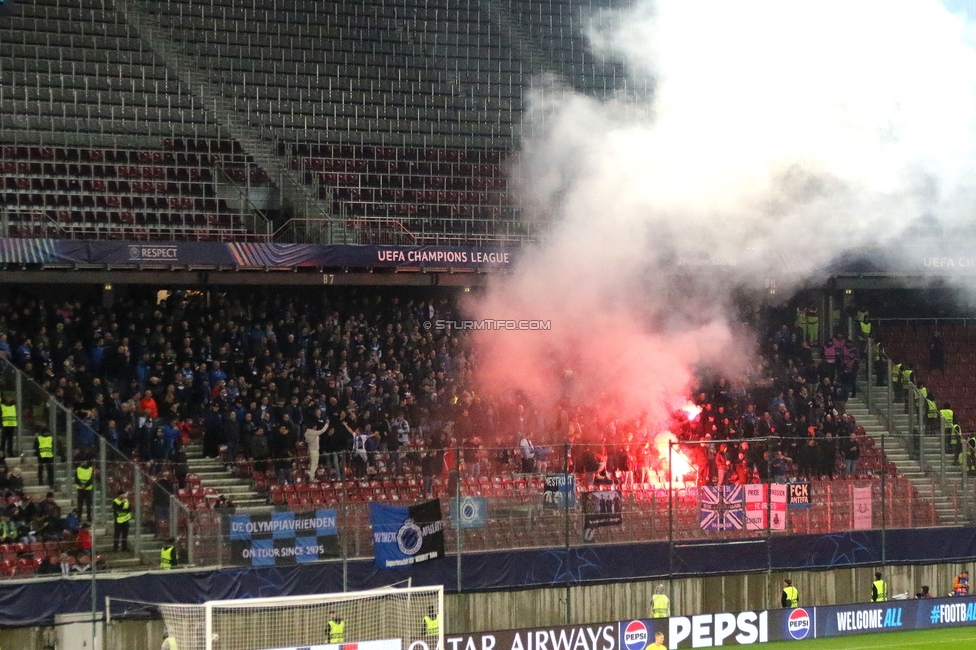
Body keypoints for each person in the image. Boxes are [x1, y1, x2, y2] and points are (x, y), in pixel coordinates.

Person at [0, 393, 17, 457]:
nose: (9, 399)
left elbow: (14, 399)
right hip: (5, 425)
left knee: (10, 440)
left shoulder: (13, 406)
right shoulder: (2, 406)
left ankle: (10, 452)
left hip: (12, 425)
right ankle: (2, 452)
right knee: (3, 440)